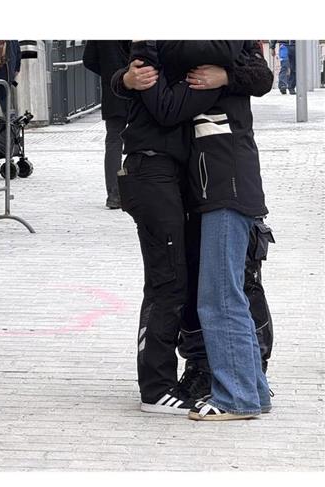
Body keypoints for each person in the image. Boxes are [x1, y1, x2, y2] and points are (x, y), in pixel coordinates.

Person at [110, 41, 271, 415]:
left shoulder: (211, 64)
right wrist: (126, 78)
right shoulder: (188, 63)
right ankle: (242, 391)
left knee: (219, 295)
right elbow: (147, 93)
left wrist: (227, 76)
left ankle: (239, 395)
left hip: (222, 189)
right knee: (192, 288)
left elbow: (256, 72)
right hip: (187, 183)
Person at [82, 40, 131, 209]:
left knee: (113, 143)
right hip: (139, 92)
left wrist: (108, 72)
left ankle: (114, 194)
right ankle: (138, 189)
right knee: (143, 138)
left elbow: (88, 59)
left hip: (112, 90)